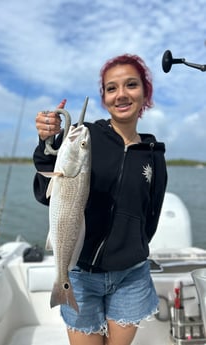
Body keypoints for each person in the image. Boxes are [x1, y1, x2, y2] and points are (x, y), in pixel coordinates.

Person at [33, 54, 167, 345]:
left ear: (145, 92)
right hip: (80, 275)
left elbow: (152, 213)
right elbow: (46, 192)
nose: (121, 94)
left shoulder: (154, 154)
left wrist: (134, 246)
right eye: (111, 88)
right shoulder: (87, 136)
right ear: (104, 97)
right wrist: (47, 143)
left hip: (131, 276)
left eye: (131, 84)